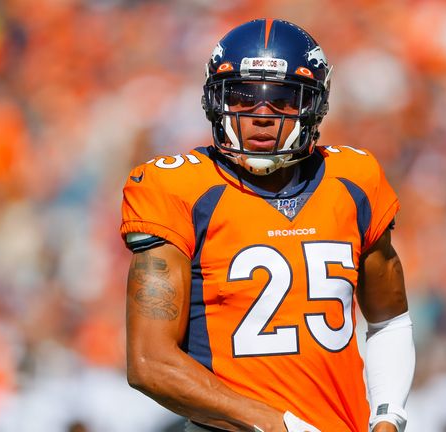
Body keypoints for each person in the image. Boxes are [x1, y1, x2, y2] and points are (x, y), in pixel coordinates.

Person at [120, 18, 415, 432]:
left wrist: (388, 416)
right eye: (242, 95)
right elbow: (150, 362)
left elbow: (389, 319)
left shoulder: (355, 178)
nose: (261, 114)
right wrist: (275, 424)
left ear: (313, 104)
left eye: (281, 97)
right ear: (215, 99)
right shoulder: (176, 187)